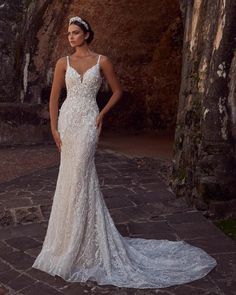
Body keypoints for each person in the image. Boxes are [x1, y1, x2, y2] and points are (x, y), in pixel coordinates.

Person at [32, 16, 217, 289]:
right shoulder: (63, 63)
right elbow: (53, 98)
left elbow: (118, 91)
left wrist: (102, 114)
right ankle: (67, 242)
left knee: (82, 175)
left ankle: (81, 244)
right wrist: (53, 128)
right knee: (69, 177)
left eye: (75, 32)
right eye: (68, 33)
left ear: (86, 34)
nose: (70, 37)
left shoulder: (102, 61)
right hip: (68, 120)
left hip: (88, 121)